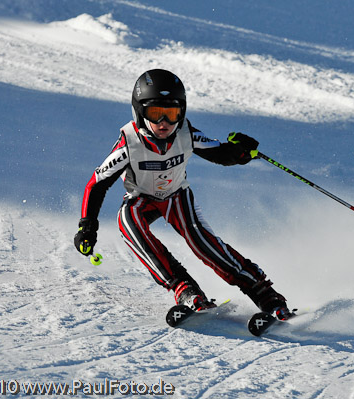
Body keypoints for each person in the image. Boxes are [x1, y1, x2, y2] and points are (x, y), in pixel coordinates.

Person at [74, 69, 292, 320]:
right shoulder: (129, 143)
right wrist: (87, 227)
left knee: (202, 243)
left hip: (176, 196)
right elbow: (97, 183)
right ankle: (185, 289)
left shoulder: (186, 133)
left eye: (172, 113)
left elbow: (220, 153)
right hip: (141, 198)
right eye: (155, 113)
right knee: (127, 222)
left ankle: (265, 294)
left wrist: (240, 153)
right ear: (139, 112)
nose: (164, 122)